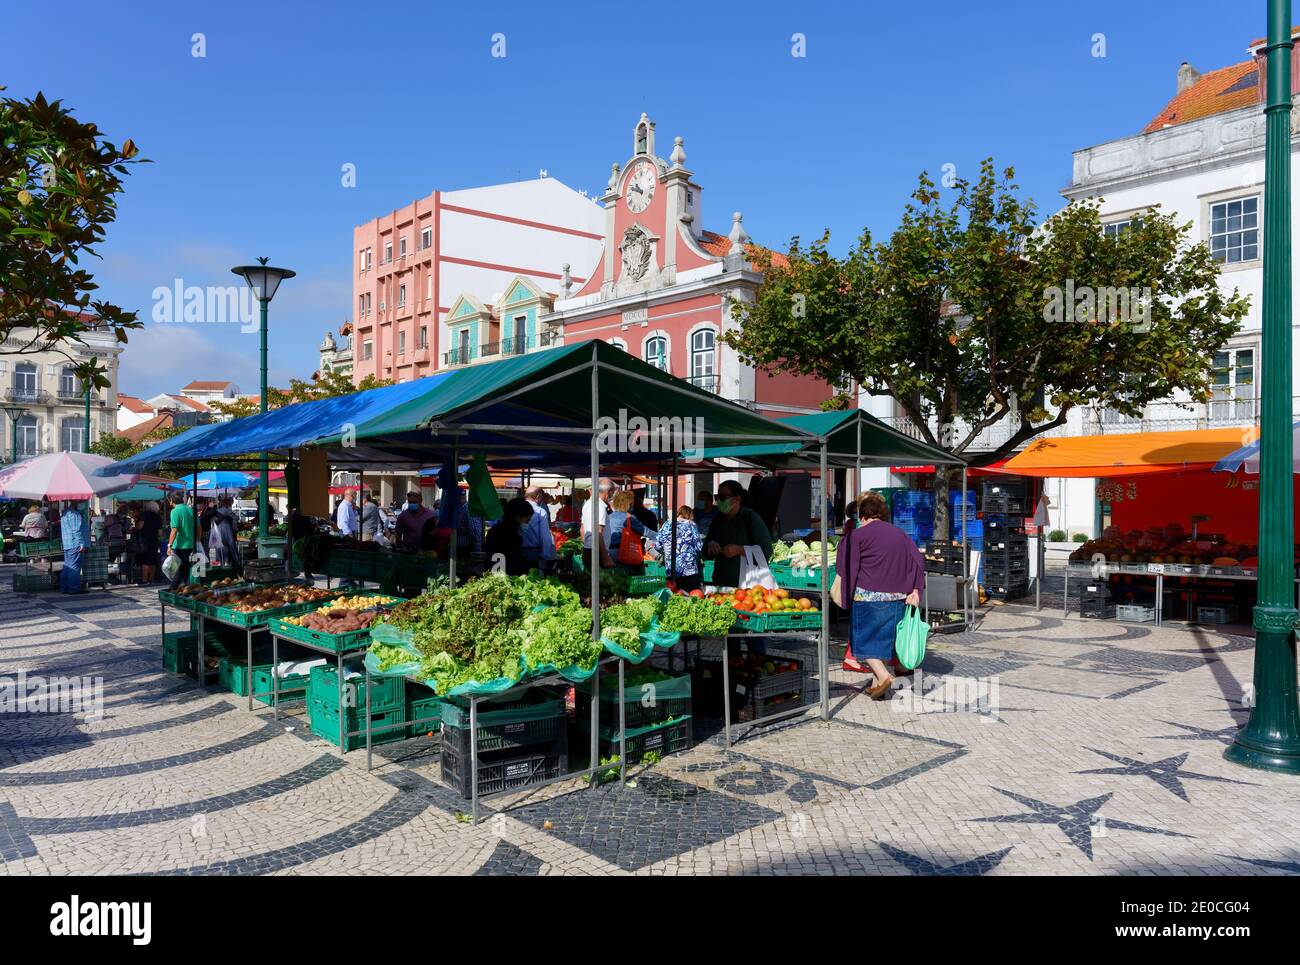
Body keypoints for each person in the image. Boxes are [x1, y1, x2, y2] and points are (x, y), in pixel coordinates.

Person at [836, 491, 926, 697]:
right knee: (884, 643)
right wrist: (916, 589)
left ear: (862, 516)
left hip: (868, 598)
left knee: (862, 641)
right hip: (898, 598)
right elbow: (919, 560)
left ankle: (884, 676)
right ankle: (878, 686)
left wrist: (845, 598)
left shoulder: (857, 536)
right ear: (883, 515)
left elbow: (848, 568)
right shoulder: (900, 534)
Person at [702, 479, 772, 589]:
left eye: (723, 497)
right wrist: (710, 544)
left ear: (737, 499)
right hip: (720, 582)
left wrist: (740, 550)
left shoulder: (751, 518)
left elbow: (766, 550)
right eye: (717, 497)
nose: (719, 501)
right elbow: (705, 551)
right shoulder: (718, 520)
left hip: (746, 584)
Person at [654, 505, 704, 591]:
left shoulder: (667, 524)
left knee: (673, 596)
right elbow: (699, 547)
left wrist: (668, 553)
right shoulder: (691, 525)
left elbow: (657, 545)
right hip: (689, 570)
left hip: (671, 568)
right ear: (690, 515)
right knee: (688, 596)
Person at [483, 497, 535, 576]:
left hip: (492, 575)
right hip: (506, 576)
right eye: (527, 520)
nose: (527, 523)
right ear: (517, 517)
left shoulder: (494, 530)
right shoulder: (512, 536)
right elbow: (514, 562)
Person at [605, 489, 647, 574]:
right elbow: (645, 531)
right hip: (624, 552)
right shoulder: (629, 517)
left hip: (610, 552)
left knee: (618, 579)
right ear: (629, 504)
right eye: (632, 503)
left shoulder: (609, 517)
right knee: (638, 571)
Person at [520, 485, 556, 572]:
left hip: (516, 552)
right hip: (533, 553)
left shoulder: (516, 509)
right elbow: (545, 537)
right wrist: (547, 557)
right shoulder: (540, 512)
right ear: (538, 496)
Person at [581, 478, 615, 570]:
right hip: (597, 552)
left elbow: (582, 529)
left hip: (589, 550)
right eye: (613, 492)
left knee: (589, 581)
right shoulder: (599, 506)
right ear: (609, 491)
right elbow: (598, 533)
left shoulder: (588, 503)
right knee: (600, 583)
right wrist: (605, 557)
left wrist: (586, 545)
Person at [166, 493, 197, 590]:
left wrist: (169, 545)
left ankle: (172, 588)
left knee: (180, 568)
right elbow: (199, 527)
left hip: (179, 545)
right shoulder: (190, 510)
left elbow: (174, 530)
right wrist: (198, 540)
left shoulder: (175, 511)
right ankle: (188, 587)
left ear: (171, 500)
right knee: (184, 567)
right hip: (190, 544)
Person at [58, 502, 88, 594]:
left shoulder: (65, 513)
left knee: (67, 566)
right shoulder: (75, 515)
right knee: (74, 567)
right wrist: (81, 543)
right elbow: (76, 531)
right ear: (76, 504)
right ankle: (74, 588)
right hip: (75, 543)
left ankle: (64, 587)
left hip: (67, 543)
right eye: (82, 502)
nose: (83, 504)